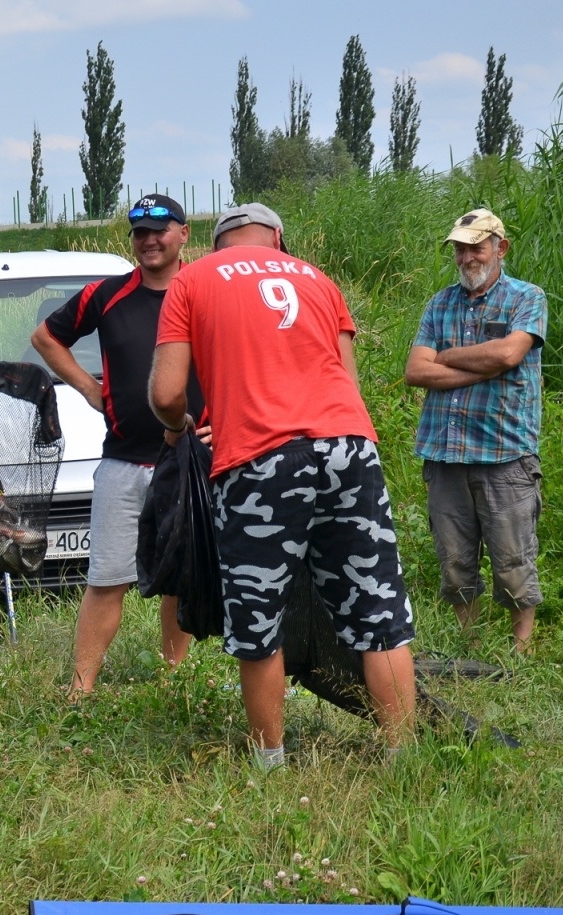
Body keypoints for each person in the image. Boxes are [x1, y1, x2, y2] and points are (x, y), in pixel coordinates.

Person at [151, 203, 416, 767]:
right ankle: (402, 756)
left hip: (261, 460)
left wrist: (181, 431)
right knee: (380, 611)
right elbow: (345, 377)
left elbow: (168, 393)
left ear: (220, 243)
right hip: (349, 446)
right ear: (277, 239)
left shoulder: (193, 278)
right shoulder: (319, 280)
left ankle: (270, 761)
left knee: (257, 617)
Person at [31, 194, 206, 694]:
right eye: (139, 232)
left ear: (183, 234)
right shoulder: (106, 294)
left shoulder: (203, 292)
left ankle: (176, 682)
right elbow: (46, 338)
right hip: (123, 461)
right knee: (107, 578)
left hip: (190, 460)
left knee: (178, 579)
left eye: (159, 229)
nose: (149, 240)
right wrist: (89, 388)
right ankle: (81, 687)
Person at [404, 209, 547, 653]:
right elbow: (415, 371)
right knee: (455, 558)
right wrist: (476, 365)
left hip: (504, 453)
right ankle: (469, 641)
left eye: (476, 247)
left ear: (499, 248)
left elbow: (508, 355)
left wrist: (445, 356)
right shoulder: (439, 303)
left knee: (512, 557)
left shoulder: (527, 297)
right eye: (460, 249)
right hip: (445, 453)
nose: (467, 257)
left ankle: (520, 649)